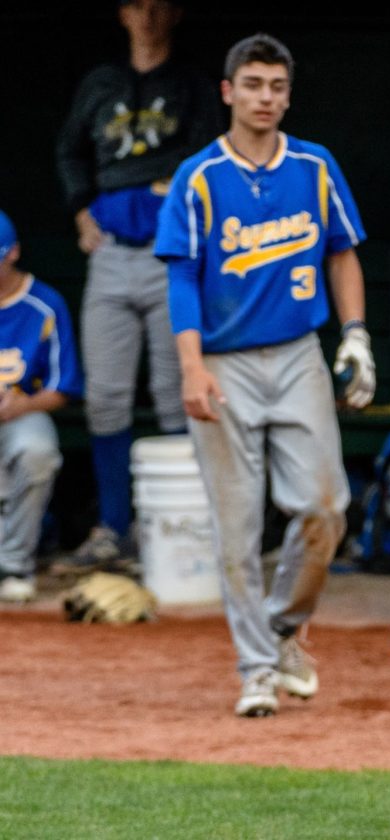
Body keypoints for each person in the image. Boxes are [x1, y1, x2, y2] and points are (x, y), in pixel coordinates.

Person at [154, 33, 375, 717]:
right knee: (236, 523)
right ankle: (255, 668)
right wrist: (191, 367)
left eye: (276, 87)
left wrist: (357, 336)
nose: (265, 98)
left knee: (324, 506)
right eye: (252, 85)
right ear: (228, 91)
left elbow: (343, 252)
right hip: (221, 359)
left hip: (297, 351)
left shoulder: (313, 166)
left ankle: (281, 625)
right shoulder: (198, 176)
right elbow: (182, 278)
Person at [54, 0, 221, 571]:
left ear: (175, 14)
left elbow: (208, 155)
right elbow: (70, 150)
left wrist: (170, 188)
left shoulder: (192, 85)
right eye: (135, 6)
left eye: (157, 6)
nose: (146, 16)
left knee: (180, 390)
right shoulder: (101, 84)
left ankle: (183, 532)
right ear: (120, 15)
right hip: (110, 257)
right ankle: (114, 529)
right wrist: (81, 213)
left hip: (168, 255)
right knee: (105, 397)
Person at [0, 211, 83, 603]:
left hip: (22, 415)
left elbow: (64, 387)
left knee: (37, 451)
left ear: (13, 253)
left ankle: (14, 564)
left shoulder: (43, 303)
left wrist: (19, 406)